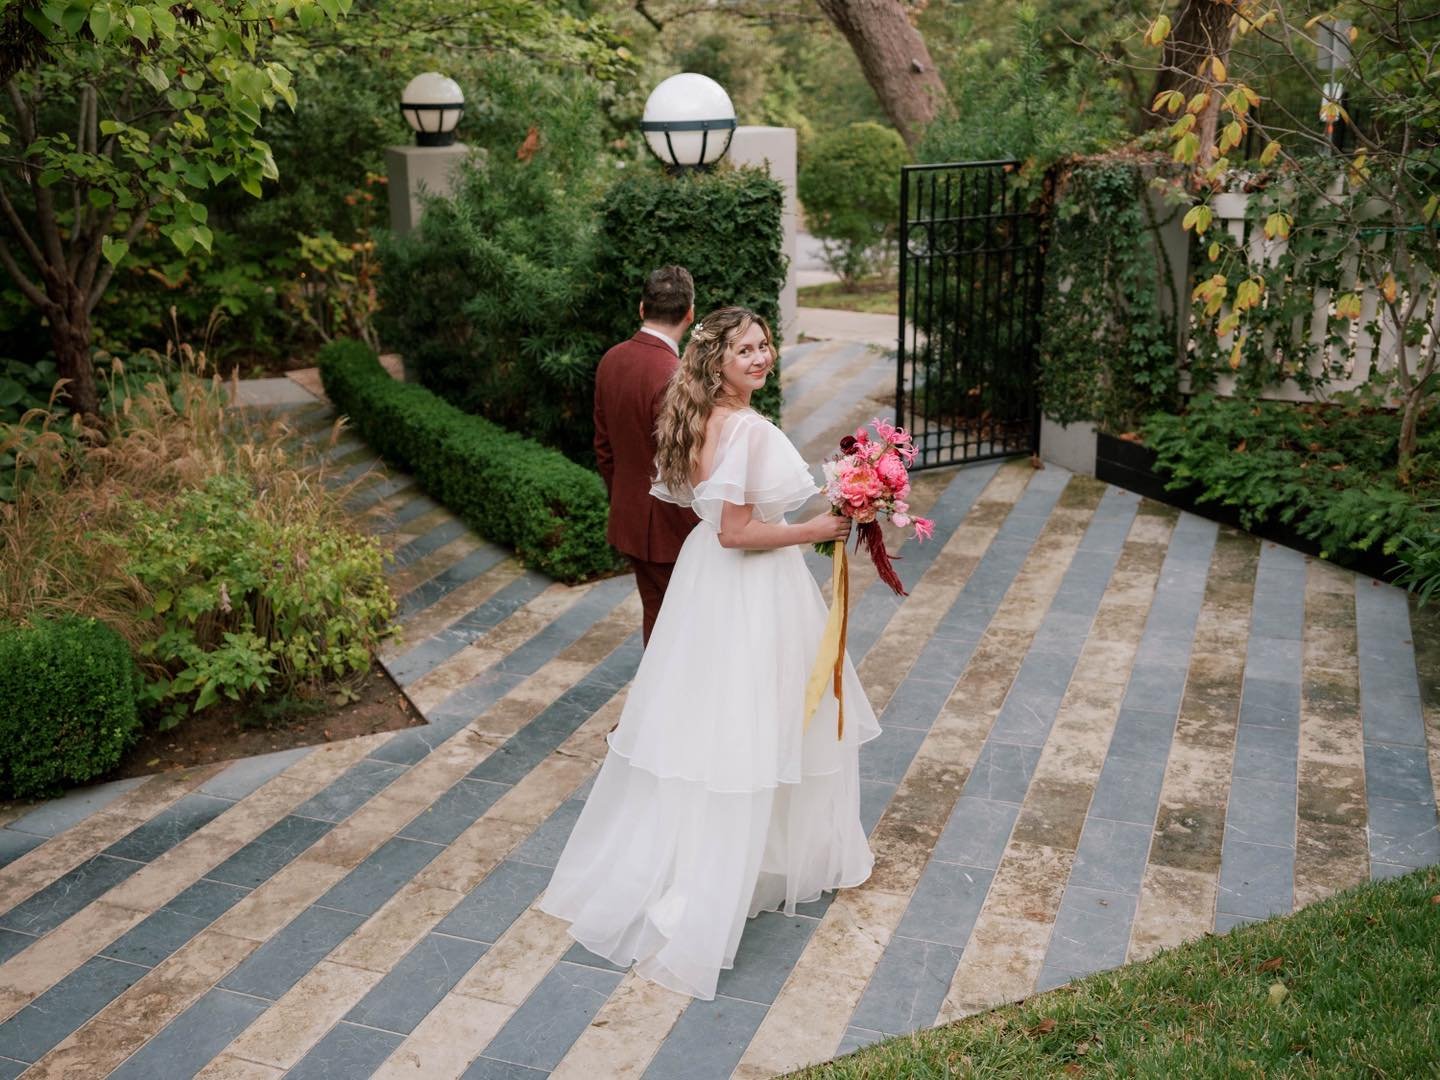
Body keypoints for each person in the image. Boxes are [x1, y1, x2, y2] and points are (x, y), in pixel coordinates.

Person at [539, 306, 879, 1001]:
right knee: (756, 722)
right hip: (747, 584)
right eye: (745, 350)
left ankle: (749, 854)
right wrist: (818, 527)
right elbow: (736, 531)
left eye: (764, 345)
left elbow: (728, 517)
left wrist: (848, 495)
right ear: (716, 361)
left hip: (708, 583)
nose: (760, 357)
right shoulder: (746, 429)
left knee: (715, 720)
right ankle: (722, 875)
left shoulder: (701, 417)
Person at [593, 265, 701, 645]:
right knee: (686, 628)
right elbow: (686, 467)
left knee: (657, 618)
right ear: (690, 313)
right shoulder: (677, 377)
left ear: (642, 308)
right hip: (673, 529)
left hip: (630, 518)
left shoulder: (611, 359)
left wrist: (626, 499)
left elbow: (604, 448)